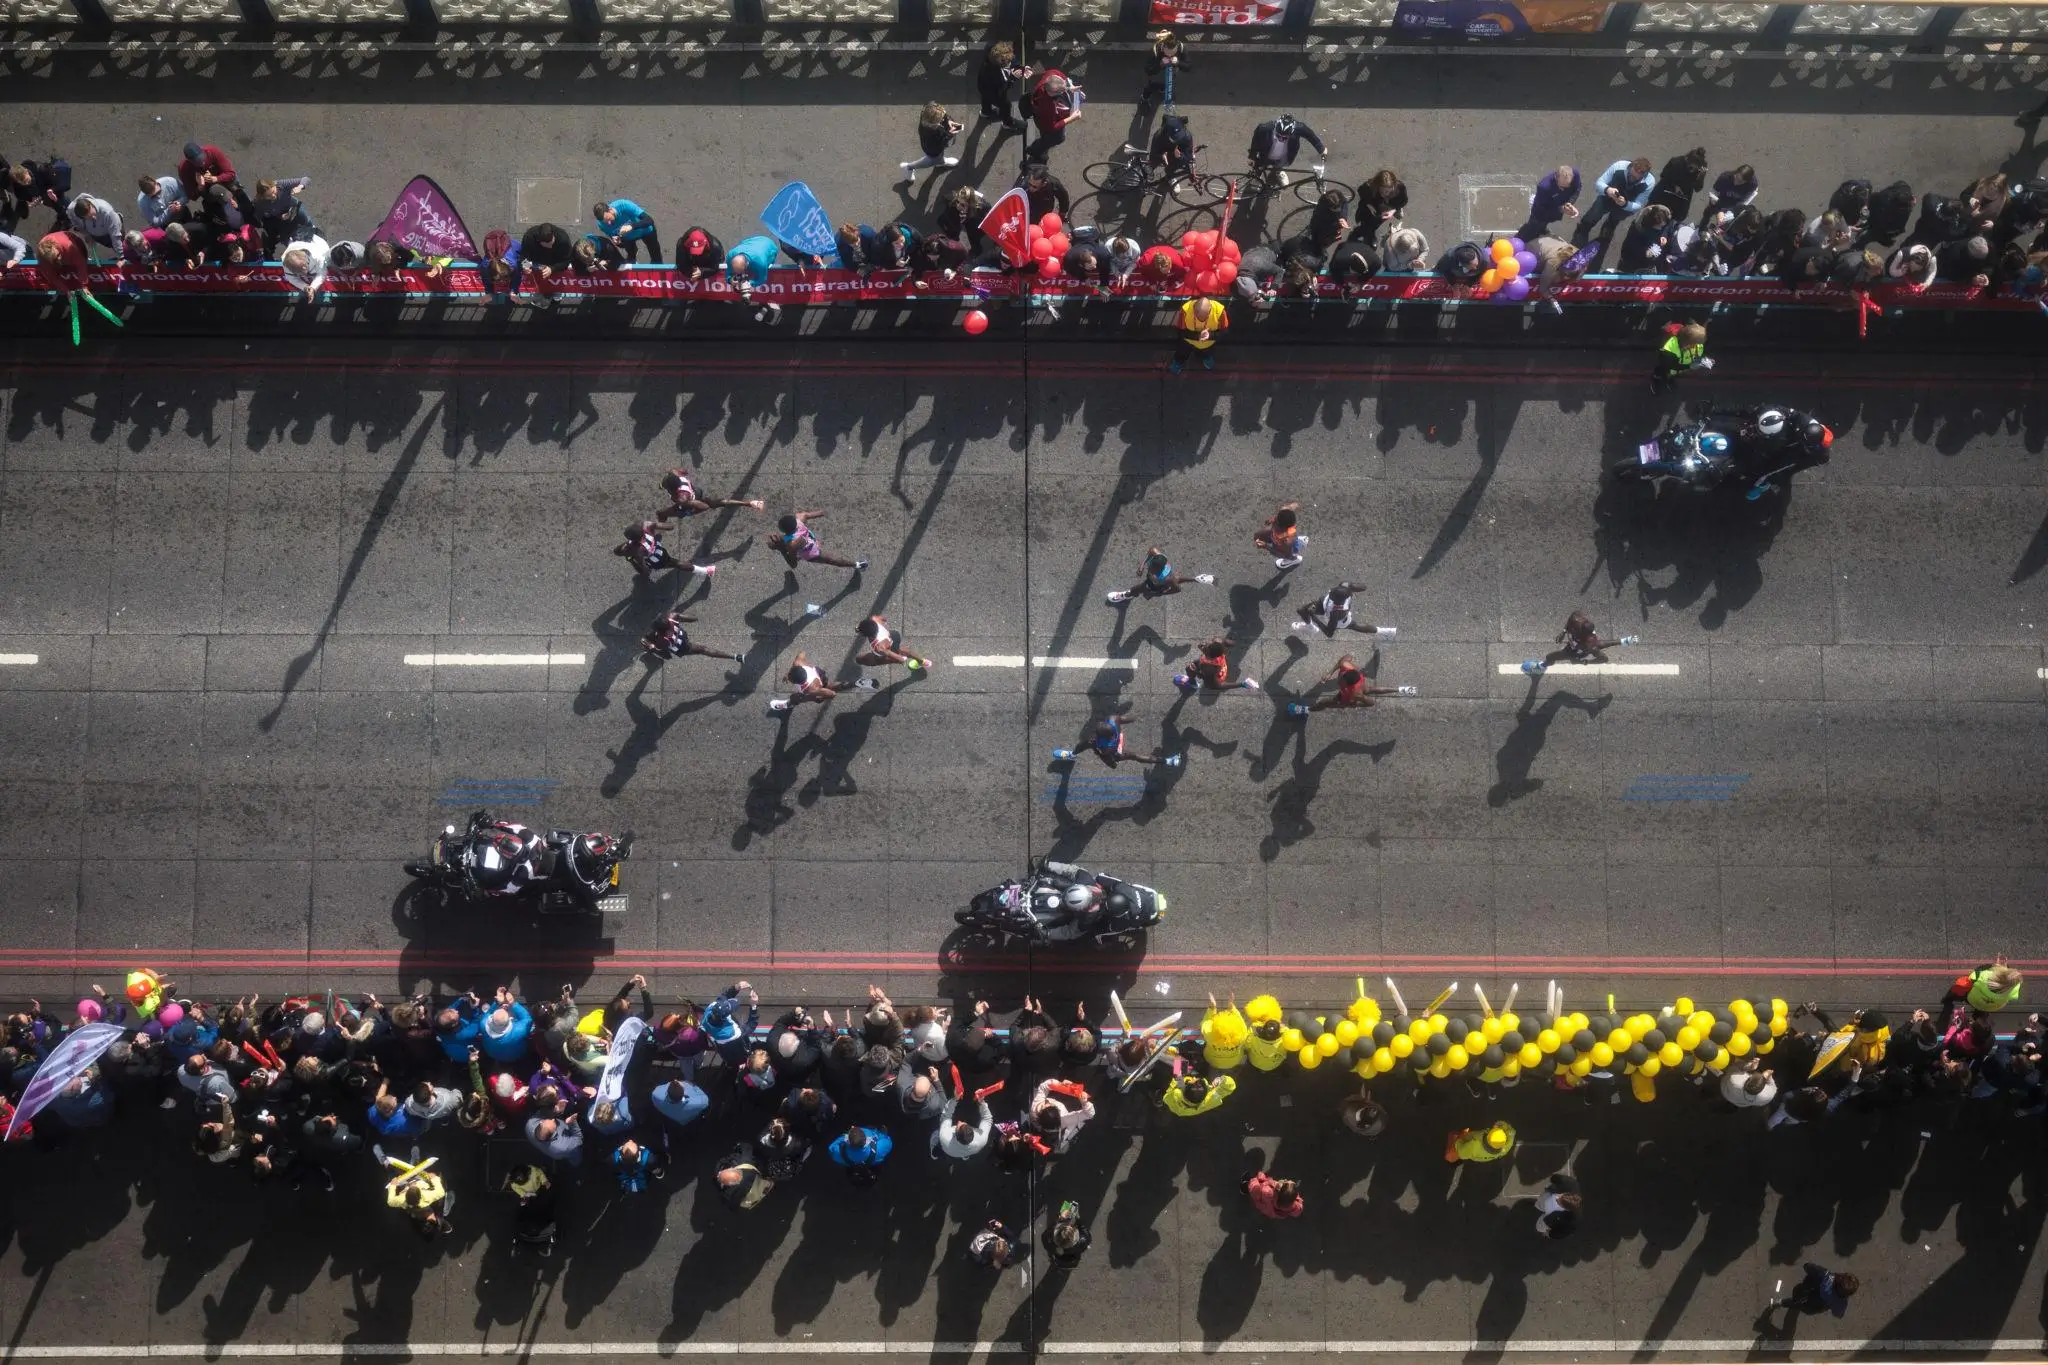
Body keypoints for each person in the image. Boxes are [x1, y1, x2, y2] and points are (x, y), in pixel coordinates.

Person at [1288, 655, 1415, 716]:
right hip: (1360, 681)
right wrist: (1330, 673)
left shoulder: (1354, 692)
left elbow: (1370, 703)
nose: (1339, 679)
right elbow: (1346, 657)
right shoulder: (1347, 667)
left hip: (1348, 697)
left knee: (1324, 703)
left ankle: (1306, 710)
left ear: (1346, 684)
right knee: (1370, 689)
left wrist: (1353, 704)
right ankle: (1402, 690)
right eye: (1341, 676)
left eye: (1341, 680)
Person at [1521, 611, 1638, 673]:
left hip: (1575, 652)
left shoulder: (1589, 643)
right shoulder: (1576, 620)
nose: (1591, 636)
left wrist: (1586, 662)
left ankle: (1540, 667)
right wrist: (1562, 632)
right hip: (1578, 645)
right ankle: (1626, 641)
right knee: (1601, 644)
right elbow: (1571, 617)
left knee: (1550, 656)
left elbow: (1604, 659)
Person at [1575, 157, 1656, 246]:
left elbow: (1639, 204)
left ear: (1645, 174)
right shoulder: (1619, 166)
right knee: (1594, 214)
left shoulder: (1649, 182)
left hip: (1626, 204)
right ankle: (1583, 229)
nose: (1633, 178)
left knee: (1615, 218)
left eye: (1637, 177)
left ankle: (1608, 227)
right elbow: (1599, 183)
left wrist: (1625, 204)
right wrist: (1607, 190)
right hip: (1607, 197)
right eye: (1632, 175)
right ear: (1631, 166)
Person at [1052, 713, 1181, 769]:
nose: (1095, 730)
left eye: (1096, 732)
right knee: (1135, 756)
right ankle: (1170, 761)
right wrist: (1135, 718)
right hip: (1116, 739)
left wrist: (1097, 752)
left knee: (1086, 744)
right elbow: (1126, 719)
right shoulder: (1113, 720)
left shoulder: (1103, 746)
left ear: (1101, 737)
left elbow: (1106, 757)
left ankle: (1168, 761)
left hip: (1113, 752)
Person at [768, 650, 875, 716]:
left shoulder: (810, 689)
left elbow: (831, 694)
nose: (788, 677)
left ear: (797, 683)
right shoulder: (798, 663)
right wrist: (790, 673)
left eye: (790, 678)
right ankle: (857, 683)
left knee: (796, 697)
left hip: (814, 688)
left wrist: (820, 697)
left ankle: (788, 704)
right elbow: (802, 653)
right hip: (818, 675)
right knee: (830, 685)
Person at [767, 511, 867, 575]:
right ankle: (857, 565)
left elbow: (793, 565)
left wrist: (781, 550)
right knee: (831, 558)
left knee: (831, 560)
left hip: (811, 553)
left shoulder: (791, 545)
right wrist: (824, 512)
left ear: (784, 531)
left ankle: (857, 565)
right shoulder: (800, 518)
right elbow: (809, 514)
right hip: (810, 540)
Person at [1106, 545, 1214, 605]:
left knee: (1138, 588)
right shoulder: (1157, 555)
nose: (1151, 570)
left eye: (1154, 571)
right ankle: (1196, 579)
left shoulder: (1166, 578)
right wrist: (1142, 566)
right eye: (1151, 567)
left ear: (1162, 569)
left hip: (1156, 586)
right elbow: (1150, 551)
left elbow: (1177, 589)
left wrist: (1158, 594)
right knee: (1176, 579)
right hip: (1162, 581)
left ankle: (1126, 595)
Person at [614, 519, 713, 580]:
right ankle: (704, 570)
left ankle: (706, 571)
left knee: (677, 564)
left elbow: (644, 568)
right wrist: (655, 525)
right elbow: (671, 527)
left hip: (656, 560)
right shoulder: (647, 527)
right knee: (673, 562)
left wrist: (632, 561)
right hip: (660, 550)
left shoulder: (637, 549)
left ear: (631, 539)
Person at [1294, 582, 1393, 641]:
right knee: (1301, 610)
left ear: (1337, 600)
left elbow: (1329, 633)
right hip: (1325, 604)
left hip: (1339, 620)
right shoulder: (1345, 587)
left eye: (1332, 593)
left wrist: (1314, 617)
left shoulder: (1336, 613)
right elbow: (1363, 587)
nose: (1330, 591)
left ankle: (1385, 632)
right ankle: (1310, 627)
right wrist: (1351, 586)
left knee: (1357, 627)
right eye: (1333, 590)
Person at [1246, 114, 1328, 184]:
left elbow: (1311, 137)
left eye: (1285, 137)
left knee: (1280, 165)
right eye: (1278, 136)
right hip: (1265, 154)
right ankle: (1258, 175)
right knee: (1260, 164)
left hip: (1284, 156)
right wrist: (1252, 156)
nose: (1281, 139)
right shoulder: (1264, 128)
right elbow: (1255, 141)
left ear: (1292, 131)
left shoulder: (1300, 128)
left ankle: (1278, 171)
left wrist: (1321, 149)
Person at [641, 611, 745, 665]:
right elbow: (692, 618)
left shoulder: (662, 640)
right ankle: (735, 657)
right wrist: (682, 617)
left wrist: (653, 649)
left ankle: (647, 648)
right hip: (683, 638)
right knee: (704, 649)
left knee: (703, 650)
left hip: (681, 648)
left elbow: (666, 656)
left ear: (658, 631)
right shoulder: (673, 617)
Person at [1025, 69, 1083, 166]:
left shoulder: (1051, 75)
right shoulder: (1046, 106)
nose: (1066, 91)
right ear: (1052, 94)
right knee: (1055, 139)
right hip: (1046, 126)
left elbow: (1061, 75)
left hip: (1050, 118)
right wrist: (1072, 118)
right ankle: (1035, 151)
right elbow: (1051, 127)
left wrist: (1070, 87)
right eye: (1063, 91)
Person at [1764, 1264, 1859, 1322]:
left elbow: (1807, 1266)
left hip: (1803, 1290)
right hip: (1813, 1306)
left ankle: (1778, 1303)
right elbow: (1838, 1314)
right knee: (1799, 1305)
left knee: (1796, 1300)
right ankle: (1781, 1303)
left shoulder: (1825, 1274)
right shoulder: (1841, 1303)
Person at [900, 102, 965, 186]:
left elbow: (943, 115)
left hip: (933, 146)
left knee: (938, 158)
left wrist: (948, 120)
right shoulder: (932, 132)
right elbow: (940, 143)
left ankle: (939, 162)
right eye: (941, 120)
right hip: (932, 149)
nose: (943, 119)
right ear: (934, 123)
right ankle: (909, 167)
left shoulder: (928, 112)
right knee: (933, 159)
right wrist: (950, 134)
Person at [976, 41, 1031, 137]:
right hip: (994, 92)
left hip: (982, 86)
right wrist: (1012, 78)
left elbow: (1010, 60)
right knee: (1005, 105)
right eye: (1008, 63)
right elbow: (1002, 89)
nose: (1010, 63)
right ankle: (1007, 123)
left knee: (985, 98)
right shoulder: (995, 75)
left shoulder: (991, 49)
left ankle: (986, 112)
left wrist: (1020, 67)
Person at [252, 177, 317, 257]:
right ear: (262, 196)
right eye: (268, 196)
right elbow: (261, 216)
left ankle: (313, 232)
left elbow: (306, 179)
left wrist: (300, 187)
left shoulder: (281, 184)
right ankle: (297, 253)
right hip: (280, 219)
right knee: (285, 238)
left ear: (275, 185)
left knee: (303, 217)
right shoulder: (260, 203)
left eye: (273, 192)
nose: (273, 196)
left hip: (293, 208)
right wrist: (279, 216)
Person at [1177, 636, 1260, 694]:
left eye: (1206, 646)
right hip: (1220, 665)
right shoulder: (1219, 646)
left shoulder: (1209, 668)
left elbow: (1217, 685)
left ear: (1208, 654)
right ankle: (1191, 678)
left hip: (1214, 677)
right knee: (1193, 664)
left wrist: (1197, 673)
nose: (1204, 644)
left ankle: (1192, 683)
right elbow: (1228, 643)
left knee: (1189, 668)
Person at [1518, 165, 1581, 242]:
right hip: (1544, 207)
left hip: (1560, 202)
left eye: (1568, 185)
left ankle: (1542, 230)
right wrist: (1560, 209)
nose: (1565, 189)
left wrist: (1569, 203)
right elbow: (1541, 210)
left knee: (1543, 225)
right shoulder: (1544, 187)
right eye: (1562, 186)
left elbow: (1577, 189)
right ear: (1556, 178)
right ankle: (1519, 238)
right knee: (1535, 224)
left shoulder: (1575, 174)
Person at [1170, 293, 1228, 374]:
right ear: (1194, 310)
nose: (1201, 321)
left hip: (1208, 343)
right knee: (1181, 353)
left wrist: (1210, 335)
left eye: (1204, 318)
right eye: (1198, 317)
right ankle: (1178, 362)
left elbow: (1224, 331)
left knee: (1206, 353)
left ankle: (1206, 358)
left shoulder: (1220, 311)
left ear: (1209, 311)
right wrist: (1198, 336)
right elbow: (1180, 332)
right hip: (1188, 341)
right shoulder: (1185, 310)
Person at [1648, 319, 1711, 394]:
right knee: (1662, 372)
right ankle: (1657, 379)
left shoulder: (1697, 343)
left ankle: (1669, 379)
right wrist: (1689, 366)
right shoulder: (1669, 348)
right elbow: (1669, 365)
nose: (1699, 345)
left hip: (1679, 368)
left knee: (1671, 375)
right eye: (1696, 343)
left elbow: (1698, 352)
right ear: (1688, 342)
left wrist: (1702, 360)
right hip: (1669, 366)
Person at [593, 198, 660, 263]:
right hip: (628, 238)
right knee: (631, 258)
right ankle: (633, 258)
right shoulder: (602, 225)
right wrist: (619, 242)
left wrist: (631, 226)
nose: (609, 223)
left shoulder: (624, 205)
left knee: (656, 257)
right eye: (605, 222)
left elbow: (649, 220)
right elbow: (620, 243)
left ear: (610, 209)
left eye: (609, 218)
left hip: (645, 230)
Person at [854, 614, 930, 671]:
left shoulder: (878, 647)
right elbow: (884, 619)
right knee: (902, 650)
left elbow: (888, 653)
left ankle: (902, 660)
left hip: (887, 647)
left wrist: (901, 659)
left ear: (869, 636)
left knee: (863, 659)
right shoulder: (875, 618)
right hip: (894, 636)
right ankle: (923, 661)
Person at [1138, 29, 1185, 113]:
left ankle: (1163, 89)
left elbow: (1188, 66)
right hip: (1155, 76)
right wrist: (1160, 64)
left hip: (1170, 75)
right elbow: (1148, 70)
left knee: (1168, 86)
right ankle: (1144, 99)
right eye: (1168, 53)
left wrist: (1178, 63)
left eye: (1173, 53)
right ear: (1163, 48)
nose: (1170, 56)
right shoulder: (1155, 51)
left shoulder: (1180, 47)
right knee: (1150, 87)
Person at [1164, 1072, 1235, 1117]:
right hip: (1182, 1110)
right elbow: (1229, 1088)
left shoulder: (1179, 1087)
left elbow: (1177, 1065)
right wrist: (1222, 1080)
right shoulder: (1208, 1101)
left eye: (1194, 1080)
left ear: (1185, 1086)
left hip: (1170, 1099)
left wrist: (1175, 1054)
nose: (1194, 1078)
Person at [1045, 1200, 1091, 1267]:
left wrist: (1059, 1218)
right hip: (1073, 1258)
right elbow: (1086, 1234)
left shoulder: (1049, 1237)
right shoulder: (1082, 1241)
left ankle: (1057, 1263)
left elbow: (1045, 1239)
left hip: (1058, 1257)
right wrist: (1078, 1219)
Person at [1534, 1173, 1581, 1238]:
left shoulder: (1569, 1221)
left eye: (1559, 1202)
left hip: (1550, 1218)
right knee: (1541, 1202)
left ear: (1567, 1209)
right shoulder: (1571, 1185)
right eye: (1561, 1196)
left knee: (1539, 1227)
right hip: (1548, 1206)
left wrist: (1549, 1234)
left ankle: (1539, 1207)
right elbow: (1556, 1178)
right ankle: (1539, 1206)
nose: (1557, 1197)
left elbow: (1562, 1232)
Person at [1446, 1120, 1515, 1163]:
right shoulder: (1506, 1147)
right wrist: (1503, 1125)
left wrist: (1458, 1139)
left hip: (1467, 1141)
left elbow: (1461, 1152)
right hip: (1483, 1156)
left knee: (1450, 1155)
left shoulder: (1474, 1145)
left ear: (1488, 1136)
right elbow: (1511, 1132)